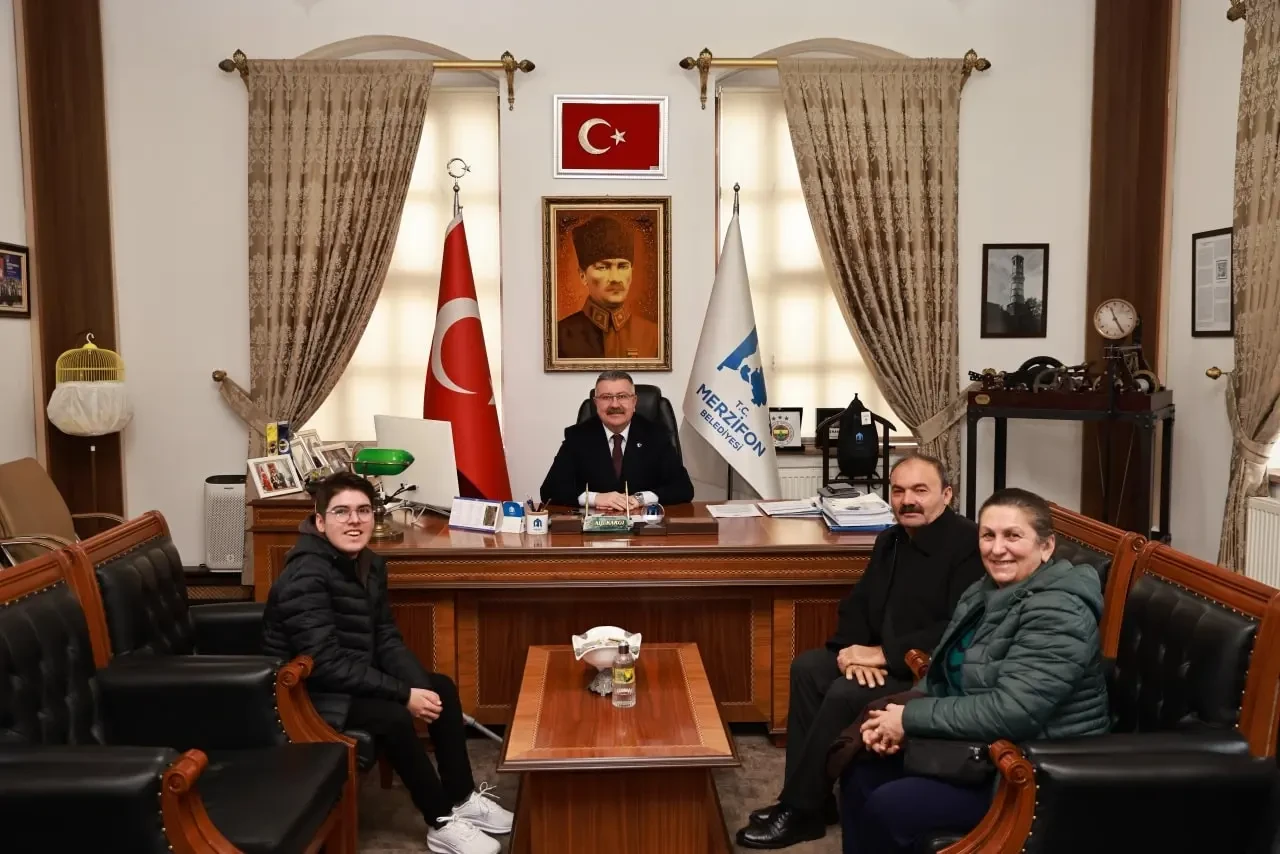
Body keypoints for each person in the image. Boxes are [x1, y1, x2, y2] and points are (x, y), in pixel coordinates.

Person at [842, 487, 1110, 853]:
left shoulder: (1059, 611)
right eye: (988, 535)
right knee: (860, 771)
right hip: (980, 747)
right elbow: (944, 672)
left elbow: (1013, 711)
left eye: (1013, 536)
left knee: (889, 806)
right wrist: (897, 724)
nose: (997, 548)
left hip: (1026, 770)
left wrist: (910, 719)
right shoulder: (985, 590)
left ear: (1046, 547)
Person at [738, 453, 983, 849]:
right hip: (879, 656)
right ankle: (814, 801)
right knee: (809, 668)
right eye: (899, 490)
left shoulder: (967, 545)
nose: (908, 501)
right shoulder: (891, 539)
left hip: (925, 668)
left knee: (844, 693)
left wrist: (883, 655)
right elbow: (860, 603)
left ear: (947, 494)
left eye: (921, 491)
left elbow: (957, 626)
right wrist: (849, 652)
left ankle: (800, 811)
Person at [262, 472, 512, 854]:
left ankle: (462, 798)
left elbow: (386, 637)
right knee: (394, 714)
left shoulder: (368, 564)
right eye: (341, 512)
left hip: (349, 678)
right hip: (306, 694)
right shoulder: (305, 575)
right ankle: (440, 820)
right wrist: (402, 694)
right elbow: (325, 663)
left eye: (363, 510)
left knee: (439, 686)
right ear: (319, 521)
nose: (354, 520)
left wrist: (418, 688)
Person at [540, 369, 694, 510]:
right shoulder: (578, 436)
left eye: (622, 396)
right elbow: (550, 490)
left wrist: (641, 499)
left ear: (634, 402)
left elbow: (683, 488)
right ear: (596, 403)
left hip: (646, 528)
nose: (614, 404)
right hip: (593, 531)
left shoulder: (656, 435)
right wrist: (595, 498)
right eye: (606, 397)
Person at [556, 215, 660, 360]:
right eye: (603, 267)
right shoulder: (558, 336)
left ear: (632, 272)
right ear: (582, 276)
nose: (615, 278)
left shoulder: (654, 336)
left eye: (623, 266)